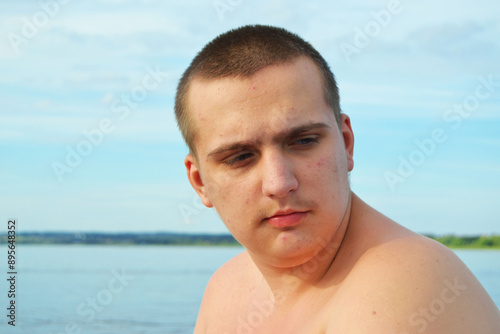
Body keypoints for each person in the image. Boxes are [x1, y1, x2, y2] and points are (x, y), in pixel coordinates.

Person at [174, 24, 500, 333]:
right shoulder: (225, 288)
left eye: (303, 141)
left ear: (346, 144)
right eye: (240, 157)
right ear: (200, 181)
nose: (279, 183)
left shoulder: (404, 281)